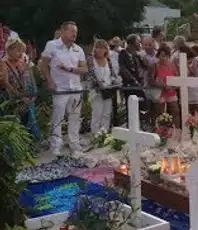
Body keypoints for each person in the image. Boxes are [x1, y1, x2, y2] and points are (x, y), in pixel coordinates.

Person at [39, 21, 88, 157]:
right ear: (63, 31)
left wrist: (70, 69)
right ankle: (56, 145)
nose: (74, 34)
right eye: (72, 31)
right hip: (60, 88)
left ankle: (74, 144)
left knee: (75, 118)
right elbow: (43, 65)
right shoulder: (52, 45)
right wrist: (49, 80)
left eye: (76, 32)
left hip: (75, 88)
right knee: (58, 117)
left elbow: (85, 69)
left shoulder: (78, 49)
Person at [0, 38, 40, 142]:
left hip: (27, 95)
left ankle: (32, 144)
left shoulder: (22, 60)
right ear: (9, 50)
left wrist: (34, 92)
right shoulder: (4, 63)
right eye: (18, 51)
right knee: (18, 123)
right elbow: (6, 84)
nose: (20, 54)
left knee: (30, 119)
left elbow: (30, 77)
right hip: (13, 99)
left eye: (22, 51)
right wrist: (21, 97)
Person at [86, 39, 121, 134]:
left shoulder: (108, 60)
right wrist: (98, 84)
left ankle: (103, 134)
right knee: (97, 113)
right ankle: (95, 134)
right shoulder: (90, 59)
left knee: (106, 114)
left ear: (106, 49)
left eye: (102, 48)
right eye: (97, 47)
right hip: (97, 91)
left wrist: (115, 82)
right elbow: (89, 75)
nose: (100, 50)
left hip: (108, 90)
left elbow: (112, 74)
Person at [149, 44, 180, 136]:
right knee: (160, 113)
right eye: (162, 56)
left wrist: (174, 86)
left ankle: (176, 131)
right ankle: (160, 132)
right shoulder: (154, 65)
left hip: (171, 91)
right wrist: (162, 85)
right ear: (158, 55)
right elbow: (151, 81)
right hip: (160, 92)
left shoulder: (172, 65)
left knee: (175, 110)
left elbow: (177, 77)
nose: (164, 58)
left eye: (166, 56)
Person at [118, 34, 149, 123]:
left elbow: (144, 67)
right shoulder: (123, 54)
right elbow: (123, 68)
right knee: (131, 107)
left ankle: (141, 124)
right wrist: (132, 79)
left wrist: (143, 58)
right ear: (132, 43)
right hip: (129, 85)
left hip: (138, 84)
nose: (140, 44)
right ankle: (131, 126)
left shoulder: (136, 55)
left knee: (142, 104)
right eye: (138, 42)